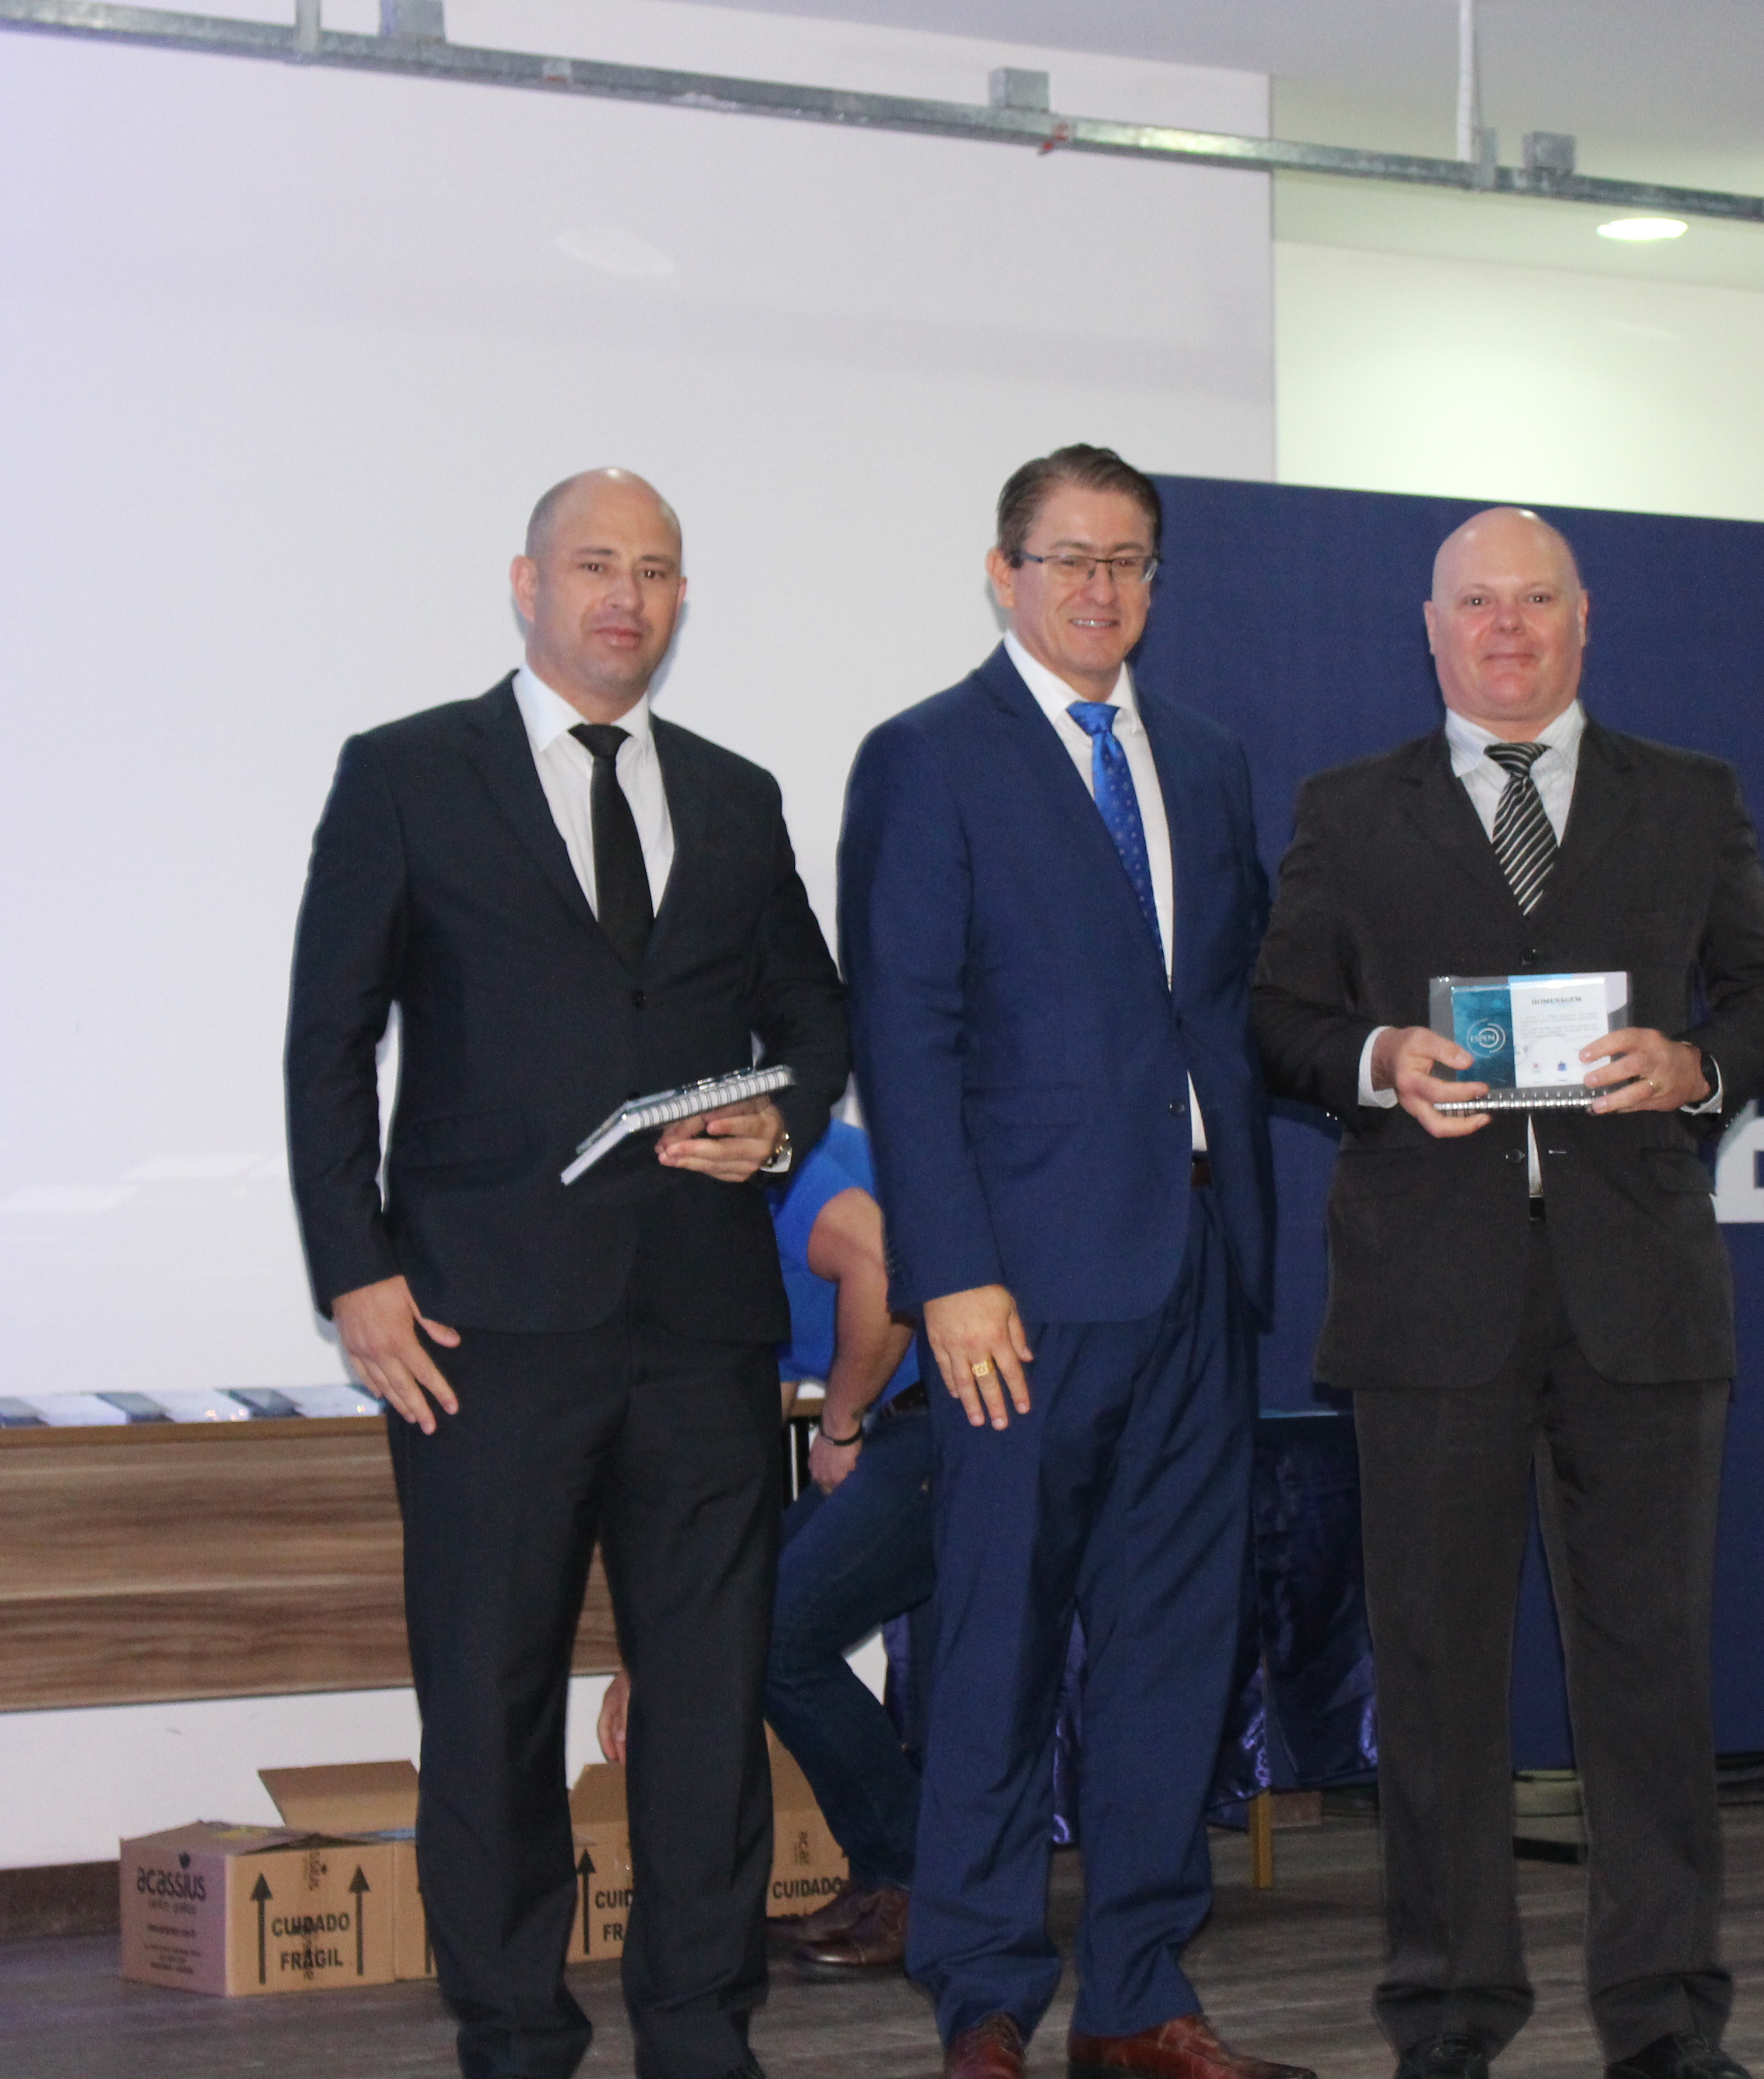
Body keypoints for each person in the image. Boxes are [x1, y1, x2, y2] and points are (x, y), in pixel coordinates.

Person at [284, 470, 848, 2079]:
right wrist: (354, 1274)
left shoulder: (735, 794)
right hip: (480, 1326)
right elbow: (329, 1040)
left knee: (708, 1704)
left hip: (705, 1328)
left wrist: (782, 1120)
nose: (627, 596)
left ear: (681, 600)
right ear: (525, 584)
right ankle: (517, 2035)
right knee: (489, 1704)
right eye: (596, 564)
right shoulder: (406, 773)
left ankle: (701, 2032)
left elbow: (815, 1017)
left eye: (656, 571)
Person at [1250, 510, 1764, 2079]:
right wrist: (1378, 1058)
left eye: (1536, 600)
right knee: (1436, 1683)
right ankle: (1447, 2018)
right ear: (1431, 629)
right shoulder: (1348, 810)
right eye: (1477, 603)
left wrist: (1699, 1065)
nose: (1506, 629)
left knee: (1651, 1679)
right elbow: (1280, 1015)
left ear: (1585, 620)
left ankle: (1667, 2023)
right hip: (1428, 1304)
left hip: (1642, 1299)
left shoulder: (1687, 798)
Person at [836, 446, 1306, 2079]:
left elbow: (1227, 1007)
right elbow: (903, 1030)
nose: (1101, 590)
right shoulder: (927, 757)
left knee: (1174, 1653)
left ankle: (1138, 1997)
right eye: (1069, 559)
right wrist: (950, 1271)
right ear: (1004, 572)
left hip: (1198, 1269)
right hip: (1017, 1297)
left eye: (1129, 563)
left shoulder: (1208, 759)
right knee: (996, 1651)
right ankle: (981, 1999)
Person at [597, 1121, 931, 1978]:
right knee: (747, 1611)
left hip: (949, 1422)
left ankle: (914, 1881)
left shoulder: (768, 1163)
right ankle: (896, 1875)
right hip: (902, 1428)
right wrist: (651, 1651)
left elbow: (882, 1265)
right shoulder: (718, 1244)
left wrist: (841, 1423)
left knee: (778, 1639)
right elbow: (742, 1453)